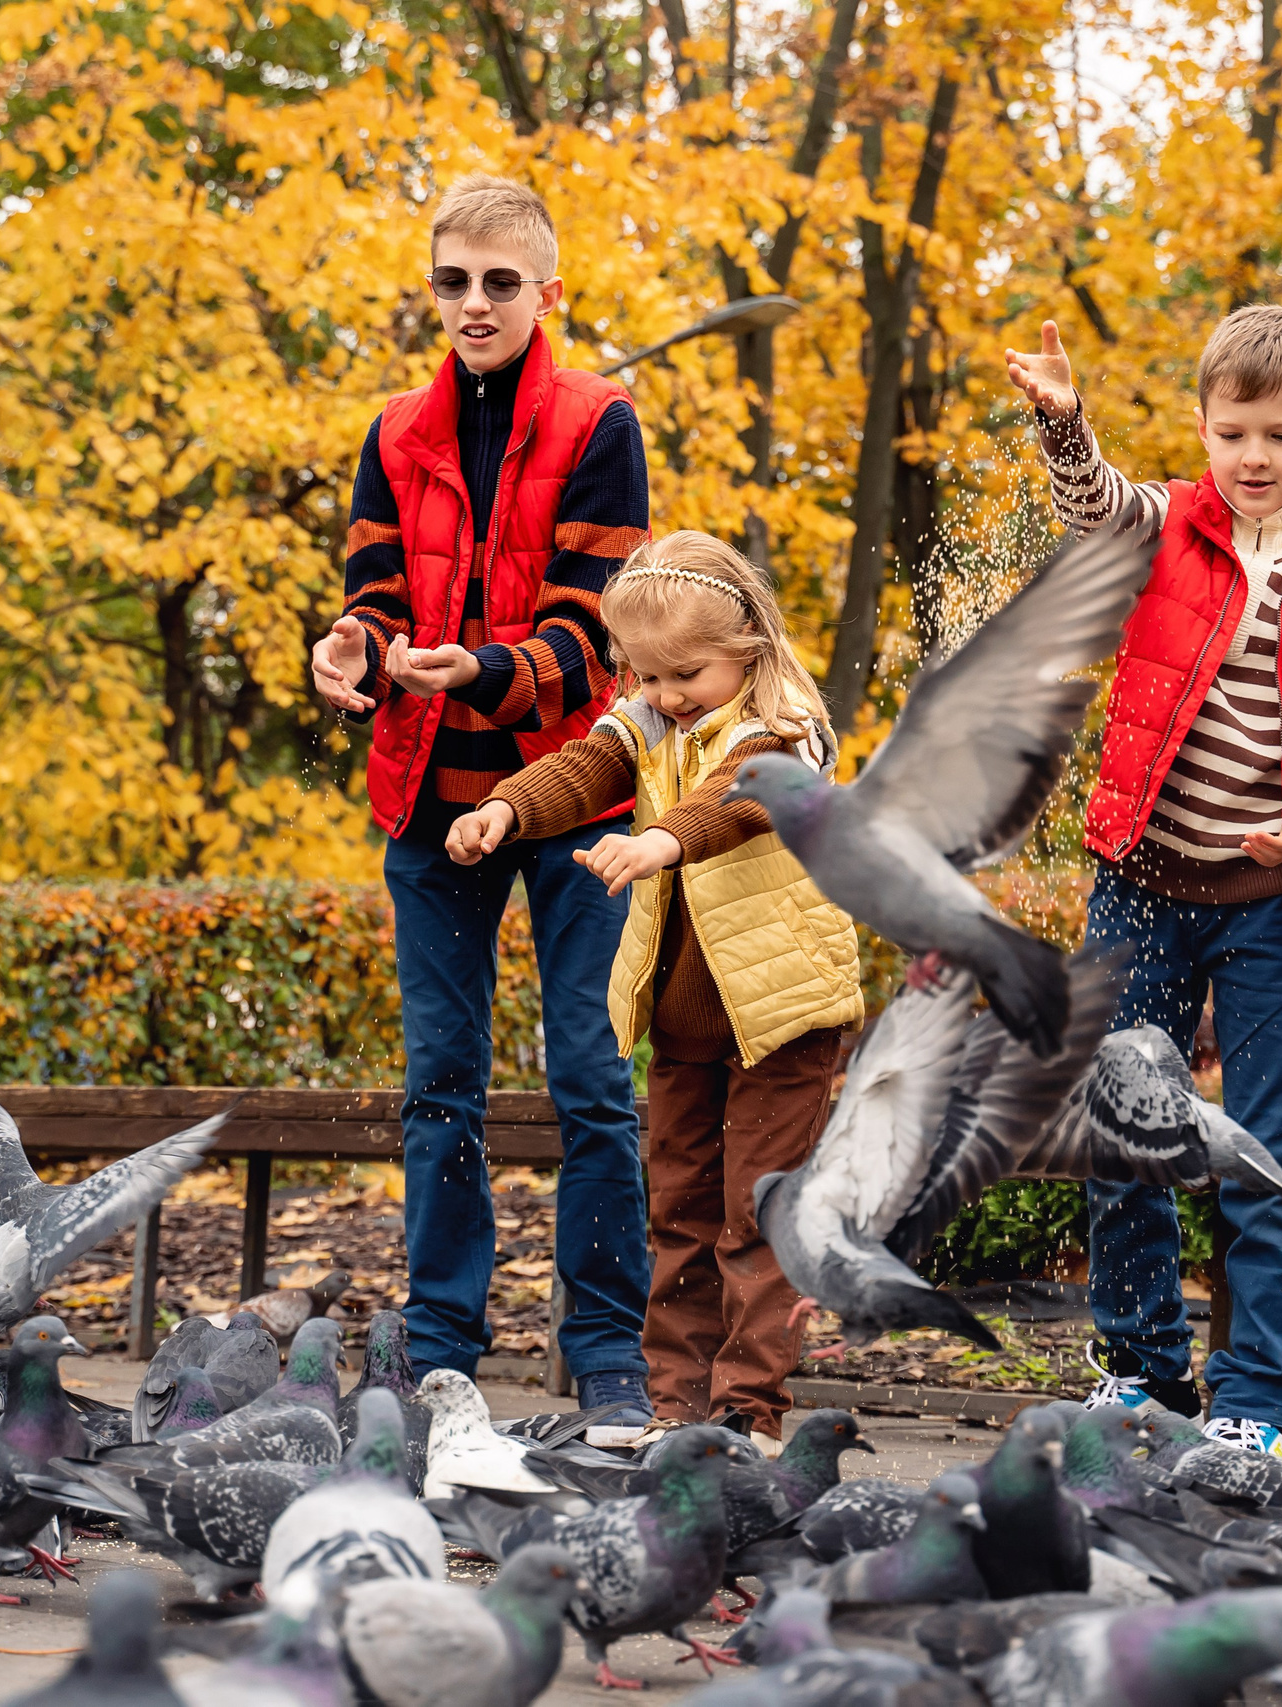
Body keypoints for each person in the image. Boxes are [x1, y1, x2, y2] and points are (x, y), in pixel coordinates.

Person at [1003, 305, 1282, 1458]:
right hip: (1140, 890)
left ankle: (1258, 1405)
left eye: (1280, 437)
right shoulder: (1165, 525)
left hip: (1276, 911)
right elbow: (1093, 506)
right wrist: (1063, 423)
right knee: (1122, 1135)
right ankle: (1141, 1371)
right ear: (1202, 427)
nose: (1252, 458)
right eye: (1232, 433)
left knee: (1271, 1157)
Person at [307, 174, 653, 1418]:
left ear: (547, 292)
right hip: (428, 800)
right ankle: (441, 1342)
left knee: (592, 1081)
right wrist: (351, 648)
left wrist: (488, 671)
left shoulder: (601, 423)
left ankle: (607, 1356)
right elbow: (377, 595)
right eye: (453, 281)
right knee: (439, 1082)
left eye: (500, 282)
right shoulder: (395, 430)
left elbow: (596, 632)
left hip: (569, 797)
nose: (475, 303)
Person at [444, 533, 865, 1451]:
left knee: (759, 1212)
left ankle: (747, 1411)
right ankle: (674, 1406)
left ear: (747, 646)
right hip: (684, 1015)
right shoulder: (648, 718)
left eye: (687, 674)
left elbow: (739, 799)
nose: (667, 694)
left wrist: (658, 842)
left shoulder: (785, 724)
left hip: (781, 1015)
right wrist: (504, 808)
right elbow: (582, 767)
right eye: (647, 674)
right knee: (679, 1208)